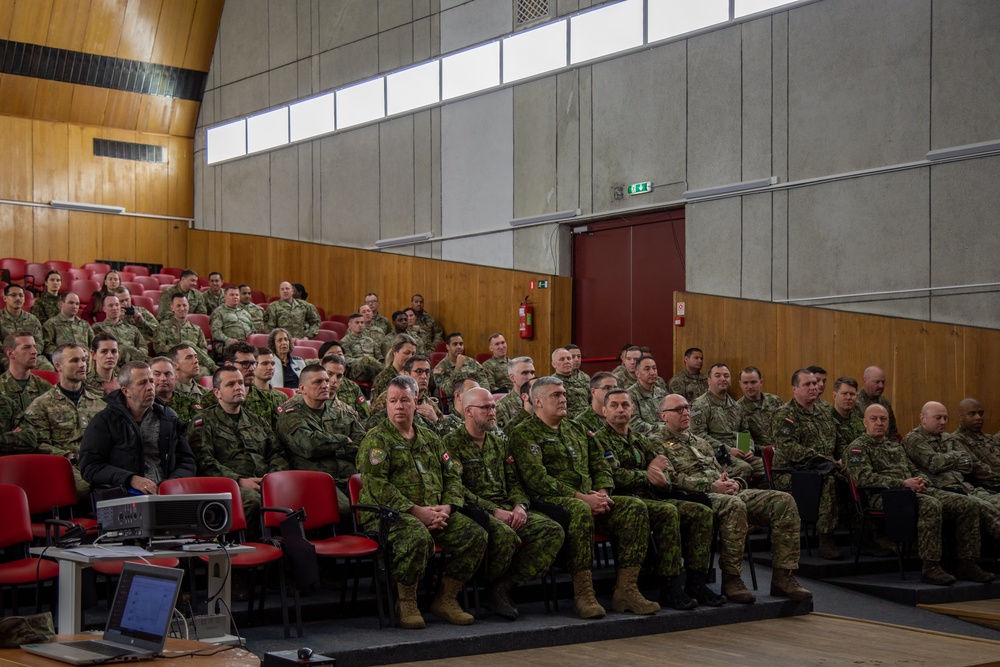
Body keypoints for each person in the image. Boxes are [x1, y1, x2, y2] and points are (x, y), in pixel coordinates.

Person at [510, 376, 661, 619]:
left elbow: (600, 464)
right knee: (579, 510)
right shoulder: (524, 433)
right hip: (550, 502)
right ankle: (583, 594)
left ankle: (626, 590)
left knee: (634, 507)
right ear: (537, 401)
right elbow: (537, 479)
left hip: (590, 498)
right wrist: (581, 497)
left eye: (564, 394)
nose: (563, 399)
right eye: (556, 395)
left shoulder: (577, 428)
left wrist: (601, 493)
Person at [653, 393, 812, 603]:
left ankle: (783, 576)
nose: (686, 412)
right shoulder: (656, 443)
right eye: (678, 409)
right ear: (663, 415)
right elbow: (671, 479)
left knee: (782, 500)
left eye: (687, 407)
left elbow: (720, 471)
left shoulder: (701, 442)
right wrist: (712, 486)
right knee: (734, 505)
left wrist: (735, 483)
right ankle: (732, 579)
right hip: (696, 497)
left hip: (723, 492)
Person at [356, 375, 487, 629]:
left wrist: (447, 507)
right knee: (418, 536)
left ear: (415, 402)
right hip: (388, 516)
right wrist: (416, 512)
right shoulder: (377, 439)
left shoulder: (430, 438)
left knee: (476, 535)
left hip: (436, 511)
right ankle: (406, 600)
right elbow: (376, 486)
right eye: (393, 401)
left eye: (404, 400)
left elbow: (452, 474)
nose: (398, 406)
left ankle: (446, 598)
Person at [593, 388, 723, 609]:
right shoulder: (599, 441)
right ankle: (669, 585)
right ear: (604, 410)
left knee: (701, 512)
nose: (621, 409)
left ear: (633, 409)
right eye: (614, 405)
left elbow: (663, 471)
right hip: (620, 503)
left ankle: (696, 582)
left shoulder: (641, 440)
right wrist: (648, 475)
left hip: (650, 498)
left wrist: (661, 480)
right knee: (668, 512)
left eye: (625, 405)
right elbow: (614, 477)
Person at [443, 387, 564, 619]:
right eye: (486, 408)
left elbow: (514, 482)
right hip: (476, 511)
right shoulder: (451, 443)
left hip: (507, 509)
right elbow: (456, 489)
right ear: (468, 411)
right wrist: (493, 510)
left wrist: (520, 505)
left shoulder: (499, 443)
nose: (492, 412)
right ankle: (487, 587)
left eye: (494, 407)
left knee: (551, 531)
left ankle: (502, 587)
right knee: (505, 536)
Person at [848, 404, 994, 584]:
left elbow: (912, 469)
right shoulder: (857, 448)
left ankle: (966, 562)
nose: (879, 423)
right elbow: (864, 479)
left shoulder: (894, 446)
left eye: (883, 419)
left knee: (967, 504)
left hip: (911, 491)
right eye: (874, 419)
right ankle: (930, 566)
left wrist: (921, 480)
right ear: (865, 422)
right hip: (887, 496)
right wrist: (903, 483)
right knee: (931, 505)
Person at [189, 366, 287, 533]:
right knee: (254, 501)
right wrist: (239, 480)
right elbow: (204, 462)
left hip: (265, 481)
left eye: (241, 383)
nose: (238, 387)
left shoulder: (257, 420)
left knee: (294, 495)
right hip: (228, 486)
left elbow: (277, 453)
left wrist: (272, 478)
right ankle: (247, 549)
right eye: (230, 384)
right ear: (217, 393)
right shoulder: (203, 422)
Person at [79, 361, 197, 493]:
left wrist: (172, 483)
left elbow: (187, 461)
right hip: (125, 493)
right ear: (126, 391)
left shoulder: (168, 417)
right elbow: (90, 467)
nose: (150, 387)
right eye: (142, 383)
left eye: (151, 381)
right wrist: (130, 479)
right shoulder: (105, 421)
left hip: (167, 493)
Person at [771, 369, 844, 560]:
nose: (814, 387)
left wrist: (843, 457)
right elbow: (788, 447)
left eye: (815, 383)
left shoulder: (824, 411)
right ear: (795, 389)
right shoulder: (785, 415)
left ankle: (870, 537)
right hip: (793, 472)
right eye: (807, 384)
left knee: (854, 475)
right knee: (829, 481)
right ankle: (825, 539)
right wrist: (822, 459)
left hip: (826, 467)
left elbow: (839, 440)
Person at [275, 364, 364, 514]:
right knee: (345, 511)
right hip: (314, 481)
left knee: (382, 506)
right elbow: (310, 446)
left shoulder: (343, 413)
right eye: (317, 382)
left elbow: (363, 445)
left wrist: (329, 448)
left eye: (326, 381)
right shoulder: (291, 416)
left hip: (348, 476)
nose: (325, 386)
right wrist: (343, 440)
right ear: (302, 389)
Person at [24, 343, 104, 504]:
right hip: (66, 466)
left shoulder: (100, 404)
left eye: (83, 360)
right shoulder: (41, 405)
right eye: (74, 360)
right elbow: (39, 445)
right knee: (91, 491)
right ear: (58, 366)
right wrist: (69, 456)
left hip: (99, 463)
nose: (82, 365)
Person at [902, 402, 1000, 520]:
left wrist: (945, 460)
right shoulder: (914, 439)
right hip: (944, 490)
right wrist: (955, 456)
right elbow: (934, 463)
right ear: (922, 418)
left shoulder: (947, 437)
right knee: (989, 510)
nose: (943, 422)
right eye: (938, 418)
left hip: (966, 487)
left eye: (945, 418)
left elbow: (968, 464)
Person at [691, 363, 764, 485]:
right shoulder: (700, 405)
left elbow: (744, 431)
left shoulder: (735, 406)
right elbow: (698, 436)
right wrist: (728, 450)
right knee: (744, 468)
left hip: (739, 454)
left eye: (726, 376)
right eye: (718, 376)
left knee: (764, 466)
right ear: (709, 381)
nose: (722, 379)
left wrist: (748, 449)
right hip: (716, 455)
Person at [153, 294, 216, 375]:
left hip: (192, 362)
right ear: (172, 307)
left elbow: (203, 350)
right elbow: (159, 348)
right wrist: (181, 349)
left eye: (184, 305)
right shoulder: (163, 326)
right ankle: (213, 367)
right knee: (186, 345)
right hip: (173, 363)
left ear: (188, 307)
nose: (182, 308)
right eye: (178, 306)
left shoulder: (196, 329)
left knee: (204, 372)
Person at [225, 343, 284, 429]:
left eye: (253, 363)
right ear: (229, 365)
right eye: (245, 363)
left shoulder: (265, 400)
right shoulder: (210, 401)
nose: (252, 368)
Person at [951, 398, 1000, 490]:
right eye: (972, 414)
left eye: (981, 413)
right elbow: (978, 470)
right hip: (986, 488)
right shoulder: (956, 440)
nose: (978, 417)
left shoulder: (988, 438)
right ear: (960, 417)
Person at [1, 285, 52, 372]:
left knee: (47, 368)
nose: (18, 298)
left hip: (31, 355)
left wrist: (30, 353)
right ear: (5, 298)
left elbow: (39, 341)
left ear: (24, 299)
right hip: (7, 356)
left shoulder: (32, 319)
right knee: (14, 369)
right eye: (13, 295)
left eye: (21, 295)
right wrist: (16, 355)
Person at [0, 333, 50, 421]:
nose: (34, 351)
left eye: (34, 346)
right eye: (26, 347)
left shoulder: (45, 386)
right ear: (10, 353)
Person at [91, 294, 147, 364]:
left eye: (117, 305)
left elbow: (143, 347)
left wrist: (135, 354)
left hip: (134, 365)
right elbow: (95, 350)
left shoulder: (132, 328)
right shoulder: (98, 328)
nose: (115, 308)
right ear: (104, 309)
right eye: (110, 305)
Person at [736, 366, 784, 445]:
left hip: (782, 449)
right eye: (745, 383)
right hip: (758, 454)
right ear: (740, 384)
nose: (750, 386)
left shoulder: (775, 400)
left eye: (753, 382)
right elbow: (743, 443)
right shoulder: (737, 409)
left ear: (761, 382)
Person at [433, 332, 491, 396]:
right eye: (455, 344)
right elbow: (448, 391)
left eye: (461, 344)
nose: (459, 347)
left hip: (477, 398)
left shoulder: (471, 362)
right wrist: (457, 368)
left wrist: (482, 395)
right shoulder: (440, 368)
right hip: (457, 401)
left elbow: (484, 381)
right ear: (447, 347)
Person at [150, 356, 204, 424]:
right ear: (149, 378)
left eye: (168, 374)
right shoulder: (145, 404)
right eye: (157, 374)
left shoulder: (189, 402)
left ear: (175, 378)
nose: (163, 378)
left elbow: (200, 426)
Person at [42, 292, 93, 358]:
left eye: (77, 304)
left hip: (86, 361)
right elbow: (47, 347)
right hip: (65, 362)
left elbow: (94, 344)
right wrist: (66, 353)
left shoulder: (85, 324)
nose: (74, 306)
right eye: (71, 303)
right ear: (61, 303)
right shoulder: (51, 324)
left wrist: (88, 352)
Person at [853, 366, 898, 440]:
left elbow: (893, 431)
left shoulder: (885, 403)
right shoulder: (855, 404)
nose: (881, 386)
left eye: (883, 382)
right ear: (865, 381)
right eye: (877, 382)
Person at [627, 355, 667, 436]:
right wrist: (664, 429)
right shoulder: (630, 395)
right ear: (637, 374)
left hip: (666, 435)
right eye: (647, 369)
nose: (652, 372)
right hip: (645, 438)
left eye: (654, 368)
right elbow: (634, 424)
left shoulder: (662, 393)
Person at [339, 313, 385, 384]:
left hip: (372, 369)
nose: (360, 325)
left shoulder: (370, 340)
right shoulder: (345, 341)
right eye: (357, 322)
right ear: (350, 325)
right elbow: (347, 360)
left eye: (362, 322)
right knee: (368, 359)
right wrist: (363, 361)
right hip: (355, 371)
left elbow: (379, 357)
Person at [495, 357, 535, 430]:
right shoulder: (501, 406)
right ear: (512, 378)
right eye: (524, 373)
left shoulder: (540, 401)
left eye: (532, 373)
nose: (530, 377)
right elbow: (504, 436)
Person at [831, 377, 865, 458]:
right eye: (844, 393)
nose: (849, 397)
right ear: (834, 396)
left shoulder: (859, 421)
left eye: (852, 394)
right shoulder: (826, 420)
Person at [550, 348, 587, 418]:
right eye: (562, 359)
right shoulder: (552, 383)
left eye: (569, 358)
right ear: (554, 364)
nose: (566, 361)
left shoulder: (581, 380)